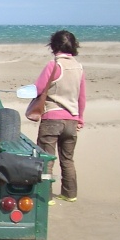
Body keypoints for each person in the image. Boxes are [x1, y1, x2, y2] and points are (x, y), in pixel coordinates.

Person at [34, 30, 86, 205]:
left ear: (53, 46)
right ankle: (70, 193)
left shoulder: (54, 66)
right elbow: (82, 97)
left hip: (52, 118)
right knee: (68, 159)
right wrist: (80, 118)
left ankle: (46, 196)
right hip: (72, 119)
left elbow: (38, 88)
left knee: (46, 159)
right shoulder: (79, 67)